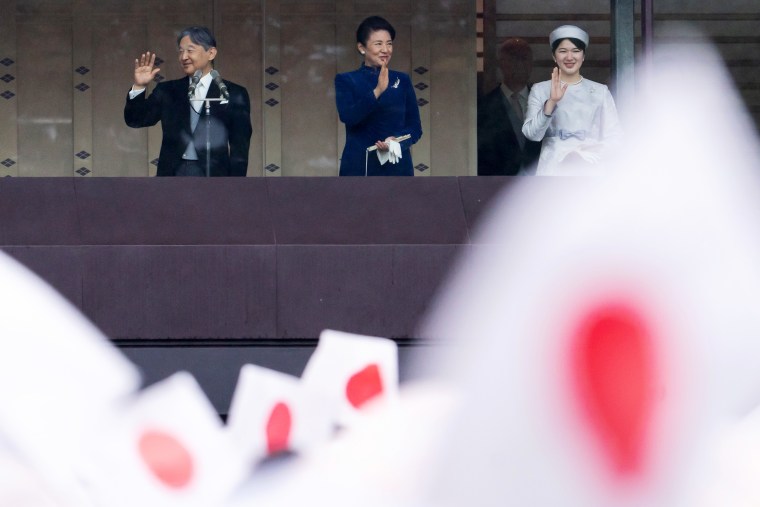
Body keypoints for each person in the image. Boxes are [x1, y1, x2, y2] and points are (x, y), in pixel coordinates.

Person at [124, 26, 252, 177]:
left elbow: (240, 145)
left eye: (190, 50)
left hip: (215, 177)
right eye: (180, 51)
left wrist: (236, 186)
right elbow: (136, 120)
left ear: (211, 53)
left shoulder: (234, 93)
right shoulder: (167, 91)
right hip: (172, 175)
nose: (183, 57)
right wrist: (140, 86)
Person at [522, 25, 622, 176]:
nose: (569, 57)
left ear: (583, 56)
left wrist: (584, 155)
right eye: (563, 51)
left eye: (576, 51)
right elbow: (531, 134)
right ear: (554, 56)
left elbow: (615, 138)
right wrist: (551, 102)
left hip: (591, 169)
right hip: (551, 170)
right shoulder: (540, 89)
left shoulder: (601, 91)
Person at [335, 16, 422, 176]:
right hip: (360, 166)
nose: (385, 49)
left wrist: (397, 140)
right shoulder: (346, 80)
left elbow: (415, 127)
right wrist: (378, 91)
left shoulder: (401, 80)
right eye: (378, 44)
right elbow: (348, 116)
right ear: (362, 48)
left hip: (397, 166)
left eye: (389, 44)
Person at [477, 38, 542, 176]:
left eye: (523, 59)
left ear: (531, 64)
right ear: (501, 63)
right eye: (513, 58)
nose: (519, 65)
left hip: (541, 186)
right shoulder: (484, 107)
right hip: (498, 186)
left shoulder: (545, 103)